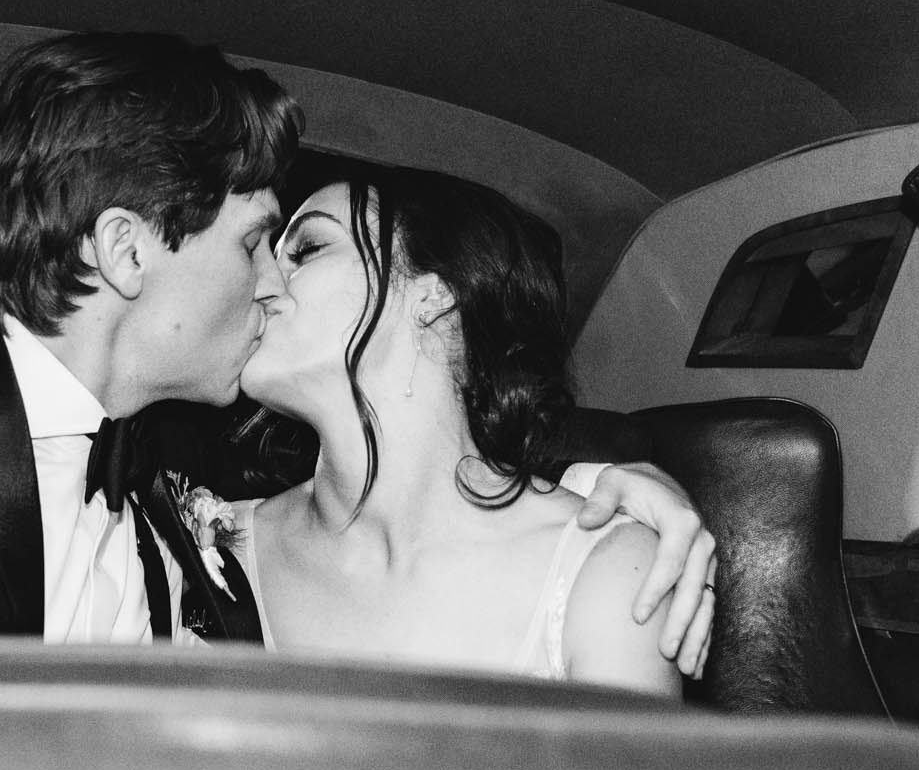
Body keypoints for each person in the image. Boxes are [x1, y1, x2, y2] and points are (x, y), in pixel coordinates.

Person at [0, 31, 715, 663]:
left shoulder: (181, 484)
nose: (271, 282)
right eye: (257, 240)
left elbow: (425, 474)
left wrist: (603, 480)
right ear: (126, 252)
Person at [230, 169, 680, 694]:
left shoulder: (607, 576)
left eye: (306, 249)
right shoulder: (209, 548)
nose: (258, 281)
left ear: (432, 296)